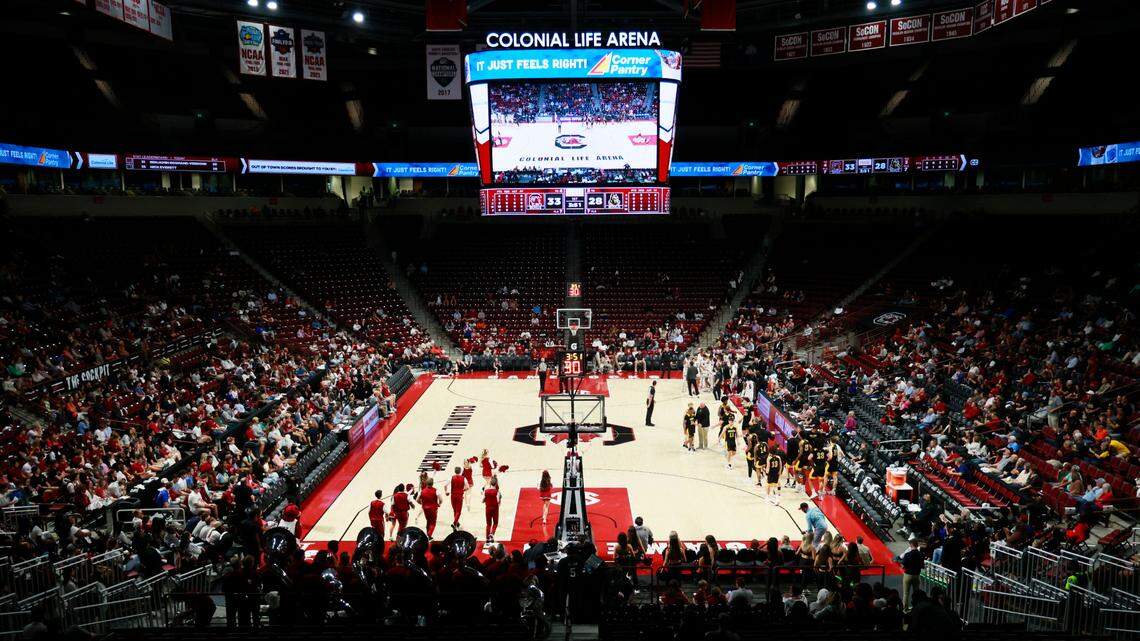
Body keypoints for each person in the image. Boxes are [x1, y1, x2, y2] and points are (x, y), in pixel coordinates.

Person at [899, 535, 925, 611]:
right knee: (916, 593)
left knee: (906, 593)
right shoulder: (921, 555)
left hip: (908, 575)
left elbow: (903, 566)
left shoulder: (907, 555)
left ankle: (905, 609)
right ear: (917, 545)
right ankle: (916, 608)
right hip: (916, 575)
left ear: (911, 544)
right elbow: (922, 566)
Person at [483, 476, 500, 542]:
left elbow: (482, 500)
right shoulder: (497, 492)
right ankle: (492, 534)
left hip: (488, 508)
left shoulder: (486, 491)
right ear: (496, 484)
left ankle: (487, 537)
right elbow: (498, 501)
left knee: (488, 524)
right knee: (495, 523)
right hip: (495, 509)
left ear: (490, 483)